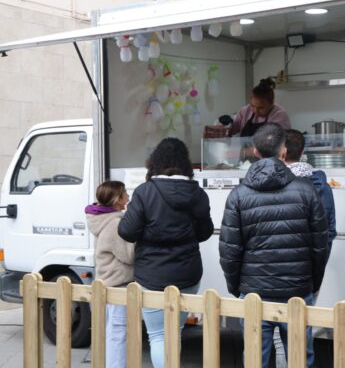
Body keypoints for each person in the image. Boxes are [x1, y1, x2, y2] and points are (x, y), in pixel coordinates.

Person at [219, 123, 328, 368]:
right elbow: (320, 245)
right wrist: (311, 283)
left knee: (255, 359)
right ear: (284, 151)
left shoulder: (238, 195)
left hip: (254, 292)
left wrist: (237, 287)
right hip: (297, 290)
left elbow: (229, 251)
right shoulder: (307, 190)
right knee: (300, 358)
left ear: (255, 151)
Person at [118, 138, 214, 368]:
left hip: (151, 275)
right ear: (185, 163)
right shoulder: (197, 193)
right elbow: (205, 233)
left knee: (158, 336)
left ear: (155, 162)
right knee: (175, 332)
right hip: (187, 274)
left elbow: (127, 232)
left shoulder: (144, 192)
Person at [85, 181, 133, 368]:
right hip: (117, 285)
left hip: (105, 282)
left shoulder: (101, 219)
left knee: (109, 333)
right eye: (125, 193)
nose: (128, 196)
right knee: (118, 334)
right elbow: (128, 255)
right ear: (118, 200)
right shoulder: (114, 224)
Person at [284, 129, 336, 260]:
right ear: (302, 152)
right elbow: (328, 231)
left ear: (280, 152)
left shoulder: (270, 182)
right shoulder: (321, 185)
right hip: (310, 263)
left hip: (274, 262)